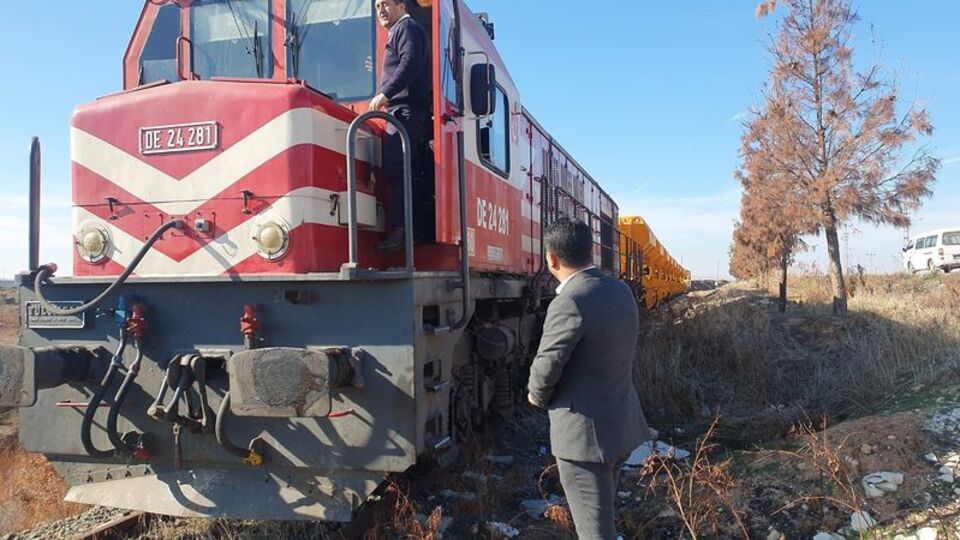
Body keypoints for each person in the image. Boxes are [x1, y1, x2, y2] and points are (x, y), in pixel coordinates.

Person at [527, 218, 652, 540]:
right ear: (591, 251)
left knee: (594, 533)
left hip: (584, 441)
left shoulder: (569, 300)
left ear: (551, 258)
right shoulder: (620, 290)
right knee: (602, 517)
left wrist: (536, 395)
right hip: (620, 426)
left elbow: (548, 363)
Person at [369, 0, 432, 251]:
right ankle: (410, 230)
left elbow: (410, 61)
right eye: (376, 7)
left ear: (402, 6)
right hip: (406, 111)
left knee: (398, 171)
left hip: (404, 112)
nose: (381, 10)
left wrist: (385, 93)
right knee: (406, 172)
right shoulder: (401, 31)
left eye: (385, 3)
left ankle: (401, 232)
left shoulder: (406, 28)